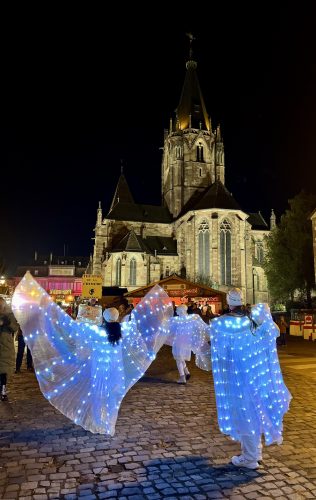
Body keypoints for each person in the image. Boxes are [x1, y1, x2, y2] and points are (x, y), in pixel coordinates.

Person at [12, 271, 173, 435]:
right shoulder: (123, 330)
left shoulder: (97, 332)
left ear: (104, 317)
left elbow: (73, 326)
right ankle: (109, 423)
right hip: (116, 369)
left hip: (99, 369)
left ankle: (99, 422)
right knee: (112, 396)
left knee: (98, 395)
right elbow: (137, 326)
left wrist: (49, 310)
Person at [209, 288, 292, 469]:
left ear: (229, 303)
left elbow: (216, 350)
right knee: (253, 413)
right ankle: (254, 453)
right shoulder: (253, 321)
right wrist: (264, 315)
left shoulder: (219, 323)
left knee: (244, 415)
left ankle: (250, 458)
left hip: (234, 378)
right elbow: (275, 332)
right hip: (255, 376)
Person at [167, 304, 211, 384]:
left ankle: (182, 377)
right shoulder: (193, 318)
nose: (176, 311)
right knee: (181, 358)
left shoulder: (176, 320)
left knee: (178, 360)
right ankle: (187, 373)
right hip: (187, 343)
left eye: (177, 310)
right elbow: (203, 327)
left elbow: (167, 327)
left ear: (181, 310)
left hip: (178, 342)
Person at [0, 297, 18, 401]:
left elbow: (15, 327)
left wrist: (6, 323)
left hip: (5, 344)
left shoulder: (9, 315)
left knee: (3, 369)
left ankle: (3, 388)